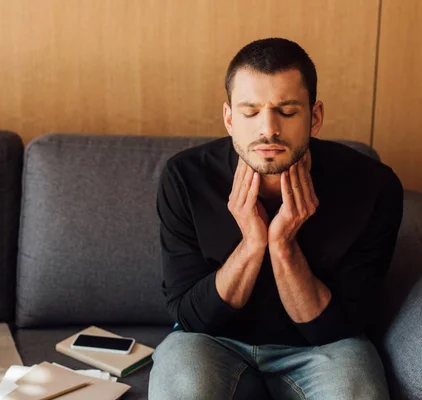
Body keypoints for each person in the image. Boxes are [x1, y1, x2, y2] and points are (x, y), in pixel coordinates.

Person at [149, 38, 403, 400]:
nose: (268, 129)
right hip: (211, 342)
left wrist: (282, 244)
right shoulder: (185, 177)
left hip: (324, 349)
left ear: (314, 117)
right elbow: (191, 317)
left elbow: (338, 328)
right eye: (250, 112)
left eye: (286, 111)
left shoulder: (374, 186)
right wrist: (253, 243)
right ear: (229, 118)